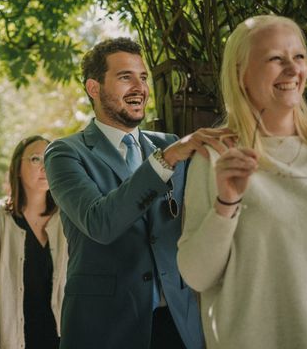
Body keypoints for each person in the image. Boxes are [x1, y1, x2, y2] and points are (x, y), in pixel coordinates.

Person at [177, 15, 307, 348]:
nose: (293, 69)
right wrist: (226, 203)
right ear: (241, 75)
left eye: (299, 56)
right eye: (275, 59)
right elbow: (196, 275)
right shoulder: (216, 156)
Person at [44, 38, 228, 349]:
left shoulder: (167, 143)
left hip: (180, 326)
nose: (139, 87)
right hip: (106, 330)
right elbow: (100, 222)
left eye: (142, 77)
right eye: (125, 76)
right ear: (93, 88)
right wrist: (166, 159)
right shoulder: (64, 154)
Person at [0, 135, 68, 349]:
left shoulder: (67, 220)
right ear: (16, 168)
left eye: (49, 158)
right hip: (14, 341)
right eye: (35, 159)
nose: (44, 166)